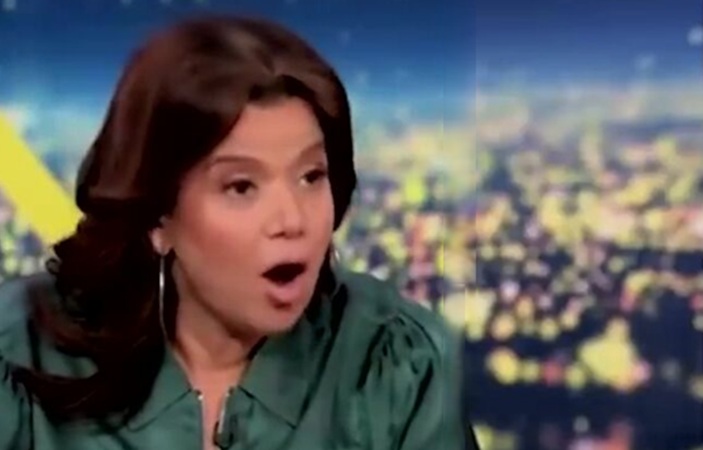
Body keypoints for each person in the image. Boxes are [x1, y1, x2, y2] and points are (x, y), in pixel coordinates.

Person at [0, 15, 479, 450]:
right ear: (159, 216)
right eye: (242, 186)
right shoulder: (19, 351)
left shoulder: (396, 366)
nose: (292, 220)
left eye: (311, 176)